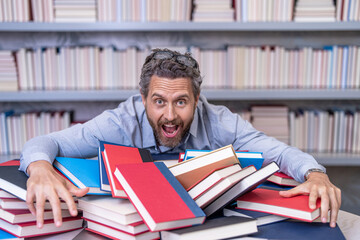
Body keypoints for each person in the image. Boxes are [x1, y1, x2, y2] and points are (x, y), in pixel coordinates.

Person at [20, 48, 341, 229]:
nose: (170, 115)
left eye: (181, 102)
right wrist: (40, 169)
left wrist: (316, 175)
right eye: (159, 101)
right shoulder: (120, 120)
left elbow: (280, 153)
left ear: (197, 99)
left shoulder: (218, 121)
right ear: (143, 98)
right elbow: (46, 144)